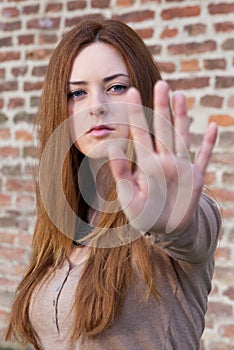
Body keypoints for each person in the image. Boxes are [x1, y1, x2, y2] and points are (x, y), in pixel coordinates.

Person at [5, 16, 221, 350]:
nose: (97, 107)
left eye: (116, 87)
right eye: (77, 92)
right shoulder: (69, 218)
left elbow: (190, 231)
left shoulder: (180, 207)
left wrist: (166, 221)